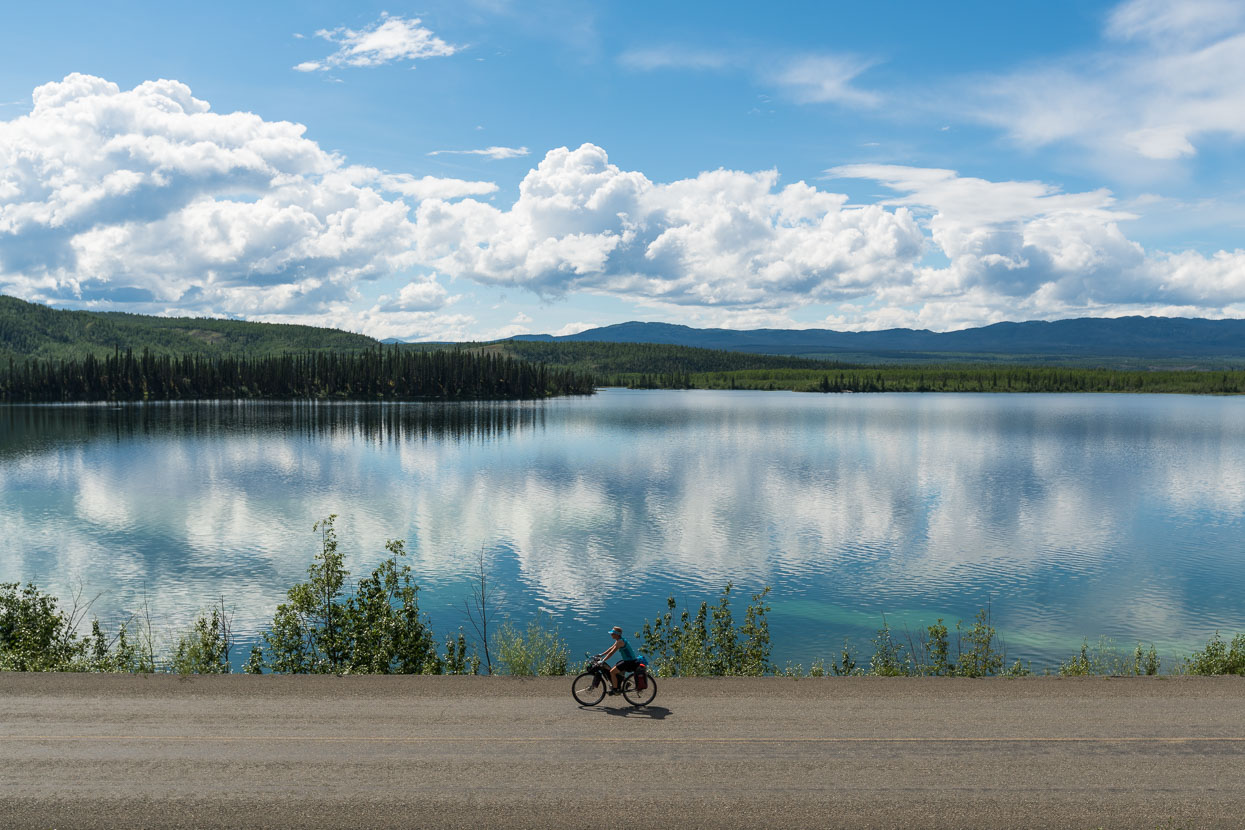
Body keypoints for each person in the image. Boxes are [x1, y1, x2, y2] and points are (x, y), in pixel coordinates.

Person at [600, 625, 640, 695]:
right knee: (616, 668)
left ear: (617, 634)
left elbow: (612, 652)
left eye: (612, 633)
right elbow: (610, 648)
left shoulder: (620, 642)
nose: (611, 634)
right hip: (628, 660)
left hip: (629, 662)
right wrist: (601, 654)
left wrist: (603, 660)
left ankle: (615, 690)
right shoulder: (619, 640)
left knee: (612, 672)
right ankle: (625, 683)